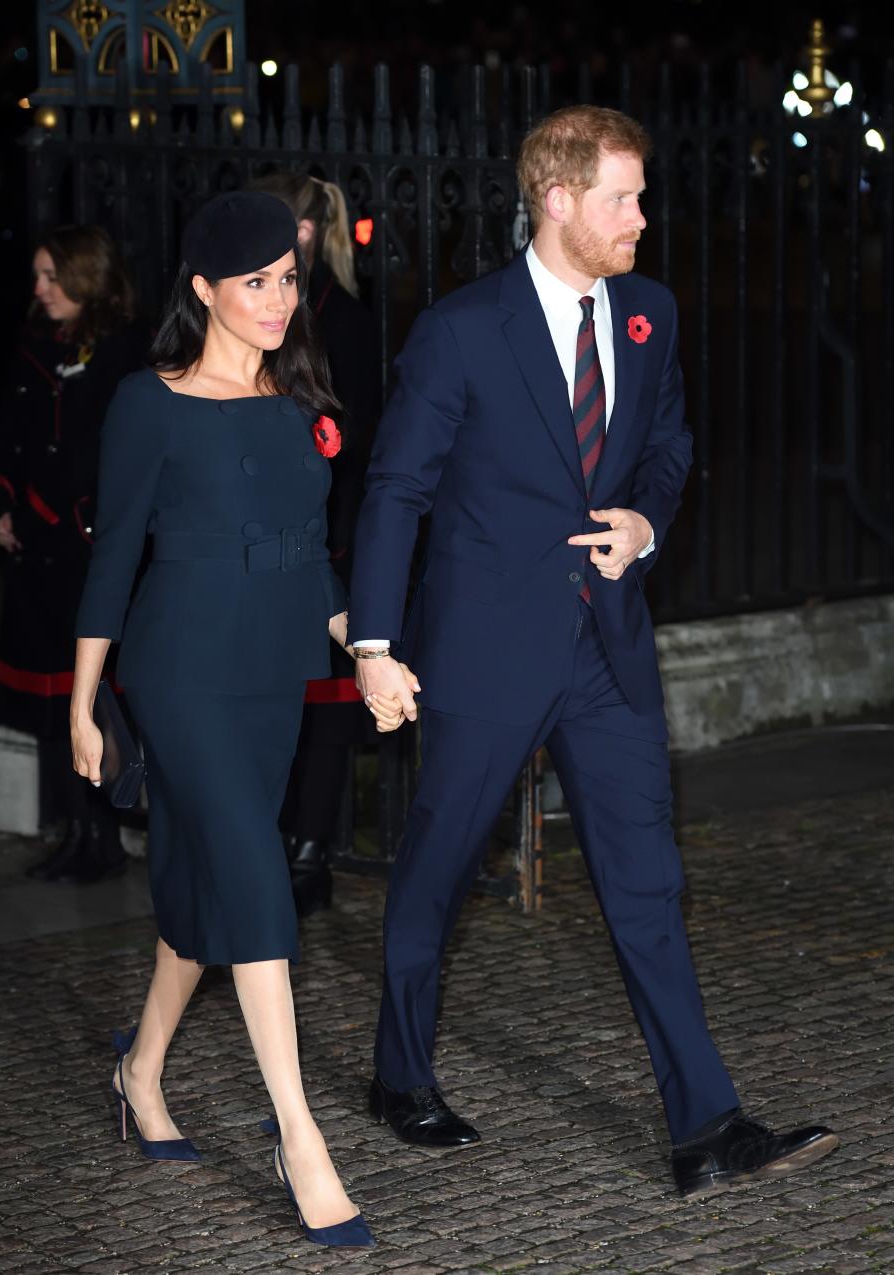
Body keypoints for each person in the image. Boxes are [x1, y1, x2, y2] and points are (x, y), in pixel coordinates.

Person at [348, 106, 839, 1197]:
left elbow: (668, 448)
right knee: (437, 870)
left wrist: (647, 526)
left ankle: (704, 1127)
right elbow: (396, 492)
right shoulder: (464, 329)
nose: (643, 218)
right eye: (623, 197)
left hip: (607, 648)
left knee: (648, 883)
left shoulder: (650, 315)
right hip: (482, 652)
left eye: (643, 195)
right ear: (558, 199)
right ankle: (398, 1073)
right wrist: (375, 643)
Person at [69, 192, 403, 1247]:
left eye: (288, 279)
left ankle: (141, 1070)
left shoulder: (300, 397)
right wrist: (82, 700)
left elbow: (315, 559)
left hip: (272, 675)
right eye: (253, 281)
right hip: (178, 673)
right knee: (258, 878)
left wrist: (372, 656)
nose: (275, 299)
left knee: (208, 888)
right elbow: (114, 555)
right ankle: (300, 1138)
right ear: (204, 288)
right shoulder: (149, 402)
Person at [0, 225, 145, 882]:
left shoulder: (123, 352)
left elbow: (119, 451)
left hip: (85, 550)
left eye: (53, 276)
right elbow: (6, 435)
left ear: (86, 277)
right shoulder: (33, 348)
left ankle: (103, 827)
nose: (41, 290)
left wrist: (82, 516)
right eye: (38, 277)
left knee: (94, 695)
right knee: (50, 700)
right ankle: (76, 825)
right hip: (34, 554)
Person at [251, 171, 381, 916]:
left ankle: (312, 849)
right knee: (280, 694)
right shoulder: (271, 307)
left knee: (329, 700)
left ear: (305, 233)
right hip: (275, 528)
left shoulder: (345, 318)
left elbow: (354, 433)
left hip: (331, 528)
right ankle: (277, 839)